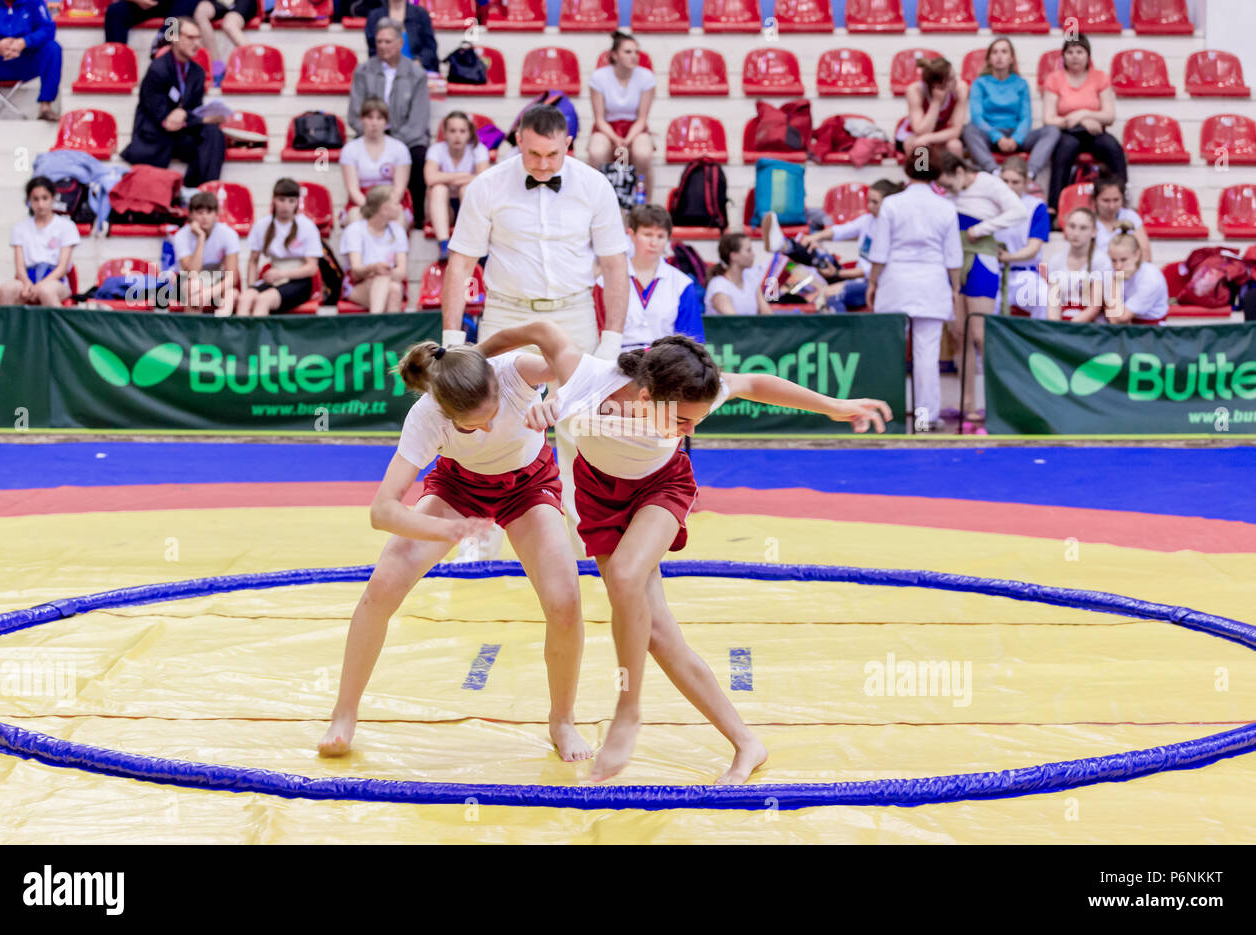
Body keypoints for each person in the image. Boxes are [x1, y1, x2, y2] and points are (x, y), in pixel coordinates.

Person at [478, 319, 892, 782]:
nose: (691, 428)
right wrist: (477, 356)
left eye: (696, 419)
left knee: (625, 577)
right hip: (601, 496)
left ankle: (628, 713)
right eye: (681, 421)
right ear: (643, 397)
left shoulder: (695, 394)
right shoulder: (585, 379)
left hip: (662, 486)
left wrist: (833, 406)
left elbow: (755, 382)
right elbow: (544, 331)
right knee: (656, 632)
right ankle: (746, 742)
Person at [317, 342, 591, 763]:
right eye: (474, 426)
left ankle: (562, 720)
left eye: (492, 416)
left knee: (565, 603)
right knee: (382, 587)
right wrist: (449, 529)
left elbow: (572, 360)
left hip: (529, 485)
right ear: (447, 413)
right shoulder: (427, 416)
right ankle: (344, 713)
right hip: (459, 488)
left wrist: (556, 399)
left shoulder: (513, 371)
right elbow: (382, 510)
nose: (486, 429)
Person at [441, 103, 630, 560]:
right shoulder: (486, 187)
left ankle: (581, 543)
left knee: (580, 430)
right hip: (506, 315)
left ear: (568, 144)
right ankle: (477, 539)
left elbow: (614, 264)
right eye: (534, 155)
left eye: (552, 155)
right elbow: (461, 262)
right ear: (518, 140)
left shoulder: (594, 185)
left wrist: (612, 339)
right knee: (488, 425)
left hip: (575, 314)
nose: (544, 165)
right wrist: (451, 341)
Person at [866, 147, 963, 431]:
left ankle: (885, 415)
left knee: (890, 353)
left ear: (908, 169)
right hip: (931, 284)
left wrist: (873, 282)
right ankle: (925, 418)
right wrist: (955, 289)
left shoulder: (892, 204)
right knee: (926, 355)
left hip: (896, 282)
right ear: (936, 171)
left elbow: (879, 252)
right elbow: (953, 257)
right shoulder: (945, 207)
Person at [936, 151, 1028, 424]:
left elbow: (1019, 212)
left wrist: (985, 228)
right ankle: (968, 403)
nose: (949, 190)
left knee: (981, 334)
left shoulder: (988, 182)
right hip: (954, 258)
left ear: (961, 172)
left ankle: (1000, 401)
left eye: (951, 184)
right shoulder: (945, 190)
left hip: (980, 257)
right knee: (959, 334)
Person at [119, 19, 226, 188]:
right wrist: (198, 118)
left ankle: (200, 191)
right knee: (203, 126)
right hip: (156, 135)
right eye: (190, 38)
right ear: (175, 38)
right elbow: (166, 121)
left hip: (180, 132)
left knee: (214, 134)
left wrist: (194, 117)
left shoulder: (197, 72)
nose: (197, 43)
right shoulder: (157, 69)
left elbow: (193, 111)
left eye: (198, 38)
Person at [348, 19, 431, 229]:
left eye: (387, 41)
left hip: (406, 137)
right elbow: (355, 113)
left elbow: (419, 119)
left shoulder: (417, 74)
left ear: (400, 43)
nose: (383, 46)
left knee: (419, 155)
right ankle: (361, 204)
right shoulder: (363, 71)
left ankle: (417, 216)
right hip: (370, 132)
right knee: (354, 150)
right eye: (379, 42)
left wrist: (393, 143)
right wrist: (374, 135)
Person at [593, 205, 704, 351]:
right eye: (647, 235)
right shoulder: (605, 281)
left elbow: (691, 342)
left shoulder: (682, 284)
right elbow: (598, 333)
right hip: (616, 360)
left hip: (666, 363)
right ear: (631, 235)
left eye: (660, 236)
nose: (654, 243)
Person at [1041, 34, 1127, 214]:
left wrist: (1083, 114)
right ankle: (1054, 208)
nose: (1074, 56)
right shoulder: (1055, 79)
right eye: (1070, 52)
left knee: (1112, 147)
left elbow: (1109, 115)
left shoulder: (1100, 77)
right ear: (1063, 56)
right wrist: (1075, 120)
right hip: (1069, 132)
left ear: (1088, 55)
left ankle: (1121, 198)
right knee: (1064, 150)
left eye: (1079, 51)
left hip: (1095, 131)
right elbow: (1048, 118)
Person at [962, 37, 1059, 184]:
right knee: (969, 129)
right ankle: (995, 173)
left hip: (1016, 135)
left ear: (1011, 58)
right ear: (988, 59)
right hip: (989, 135)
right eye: (995, 52)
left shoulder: (1021, 83)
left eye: (1004, 52)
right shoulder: (980, 83)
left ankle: (1029, 175)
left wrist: (1016, 139)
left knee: (1052, 130)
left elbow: (1026, 117)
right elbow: (977, 117)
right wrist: (997, 137)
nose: (999, 56)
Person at [798, 179, 905, 311]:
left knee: (833, 294)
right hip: (859, 278)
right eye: (868, 201)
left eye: (875, 202)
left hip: (876, 283)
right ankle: (789, 248)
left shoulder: (892, 230)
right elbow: (841, 230)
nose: (870, 206)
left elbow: (872, 270)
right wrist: (814, 237)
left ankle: (843, 331)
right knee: (822, 256)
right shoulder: (868, 220)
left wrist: (838, 273)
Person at [235, 178, 324, 317]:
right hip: (274, 279)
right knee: (245, 298)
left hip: (299, 281)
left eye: (291, 201)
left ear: (297, 202)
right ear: (274, 200)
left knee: (263, 300)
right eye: (281, 200)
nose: (285, 206)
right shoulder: (262, 225)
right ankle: (240, 338)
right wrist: (252, 286)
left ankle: (259, 339)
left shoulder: (306, 226)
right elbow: (253, 261)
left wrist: (283, 274)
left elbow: (311, 268)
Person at [586, 30, 656, 192]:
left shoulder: (646, 77)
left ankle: (643, 205)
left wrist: (627, 140)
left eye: (636, 52)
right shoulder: (599, 77)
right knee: (596, 152)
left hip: (635, 128)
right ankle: (597, 199)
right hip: (607, 128)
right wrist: (616, 140)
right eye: (628, 52)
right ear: (615, 55)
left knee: (643, 154)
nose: (634, 56)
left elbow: (642, 119)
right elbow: (600, 119)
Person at [0, 0, 62, 124]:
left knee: (53, 48)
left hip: (23, 62)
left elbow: (48, 29)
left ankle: (45, 107)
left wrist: (24, 42)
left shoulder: (35, 2)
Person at [0, 176, 78, 306]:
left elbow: (63, 267)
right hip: (27, 280)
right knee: (6, 289)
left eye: (45, 198)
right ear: (29, 201)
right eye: (35, 199)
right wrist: (27, 284)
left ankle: (57, 327)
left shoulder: (67, 226)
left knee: (46, 291)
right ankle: (8, 326)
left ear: (53, 197)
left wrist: (40, 285)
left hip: (55, 281)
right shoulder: (20, 228)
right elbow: (19, 266)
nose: (40, 204)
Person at [424, 111, 490, 262]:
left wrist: (447, 178)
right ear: (445, 133)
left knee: (466, 188)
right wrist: (464, 176)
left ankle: (475, 243)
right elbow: (430, 178)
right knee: (439, 189)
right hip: (444, 208)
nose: (457, 136)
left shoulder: (478, 149)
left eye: (462, 131)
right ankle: (443, 244)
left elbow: (484, 180)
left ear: (469, 134)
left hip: (467, 206)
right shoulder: (436, 149)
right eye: (452, 131)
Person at [994, 156, 1051, 320]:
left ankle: (1038, 344)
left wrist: (1008, 258)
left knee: (1044, 297)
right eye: (1005, 181)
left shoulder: (1036, 207)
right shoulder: (989, 203)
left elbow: (1033, 249)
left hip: (1024, 275)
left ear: (1026, 183)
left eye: (1015, 182)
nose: (1009, 187)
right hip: (994, 273)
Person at [340, 96, 412, 226]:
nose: (374, 123)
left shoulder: (400, 149)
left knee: (398, 219)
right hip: (361, 201)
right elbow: (352, 189)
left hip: (391, 201)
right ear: (362, 120)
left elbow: (399, 189)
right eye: (370, 117)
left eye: (379, 118)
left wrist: (386, 207)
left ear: (386, 122)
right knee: (355, 218)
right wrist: (371, 208)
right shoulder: (350, 150)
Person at [338, 185, 409, 314]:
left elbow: (401, 272)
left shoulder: (398, 231)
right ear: (384, 208)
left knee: (394, 288)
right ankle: (387, 329)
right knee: (387, 283)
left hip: (389, 284)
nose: (401, 207)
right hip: (358, 286)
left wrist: (383, 271)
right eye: (396, 203)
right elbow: (356, 272)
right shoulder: (355, 230)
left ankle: (377, 328)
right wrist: (374, 268)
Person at [170, 189, 240, 315]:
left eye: (209, 212)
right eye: (200, 212)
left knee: (232, 295)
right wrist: (201, 238)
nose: (204, 217)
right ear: (191, 214)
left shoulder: (228, 234)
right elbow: (192, 273)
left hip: (216, 280)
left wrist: (210, 292)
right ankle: (193, 333)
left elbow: (232, 277)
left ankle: (221, 331)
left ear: (216, 214)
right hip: (190, 281)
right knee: (194, 288)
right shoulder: (181, 235)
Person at [1044, 206, 1112, 323]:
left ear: (1094, 232)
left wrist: (1070, 328)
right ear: (1065, 228)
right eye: (1072, 226)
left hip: (1091, 327)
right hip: (1064, 323)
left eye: (1083, 228)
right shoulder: (1055, 261)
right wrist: (1055, 327)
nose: (1076, 233)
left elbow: (1094, 307)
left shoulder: (1102, 261)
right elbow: (1054, 304)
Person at [893, 56, 968, 159]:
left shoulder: (960, 88)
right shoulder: (915, 90)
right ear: (936, 84)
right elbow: (920, 131)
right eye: (951, 79)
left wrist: (928, 138)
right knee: (920, 147)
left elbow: (956, 131)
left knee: (955, 145)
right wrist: (936, 103)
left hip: (939, 134)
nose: (956, 81)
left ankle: (952, 174)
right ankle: (922, 174)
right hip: (913, 134)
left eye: (955, 76)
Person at [346, 0, 438, 70]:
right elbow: (373, 50)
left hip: (418, 69)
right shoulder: (375, 16)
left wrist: (417, 63)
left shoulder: (421, 14)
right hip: (385, 70)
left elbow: (430, 47)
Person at [1102, 228, 1169, 325]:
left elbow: (1120, 317)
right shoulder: (1110, 270)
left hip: (1153, 332)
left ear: (1137, 255)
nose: (1118, 266)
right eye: (1113, 260)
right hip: (1127, 329)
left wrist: (1114, 282)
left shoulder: (1151, 278)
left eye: (1124, 260)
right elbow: (1113, 318)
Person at [191, 0, 258, 87]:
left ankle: (256, 65)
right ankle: (217, 68)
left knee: (229, 25)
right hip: (217, 3)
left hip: (241, 2)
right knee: (200, 12)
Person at [704, 233, 771, 316]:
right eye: (748, 250)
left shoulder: (751, 278)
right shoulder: (718, 286)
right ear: (733, 256)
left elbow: (767, 315)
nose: (753, 254)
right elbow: (736, 324)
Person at [1091, 177, 1150, 260]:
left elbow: (1146, 254)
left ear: (1122, 198)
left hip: (1129, 270)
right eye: (1106, 200)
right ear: (1095, 200)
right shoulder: (1087, 220)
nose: (1111, 206)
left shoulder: (1131, 217)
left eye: (1116, 200)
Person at [104, 0, 197, 47]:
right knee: (115, 12)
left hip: (175, 4)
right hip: (140, 4)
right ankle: (116, 60)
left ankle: (165, 42)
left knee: (184, 5)